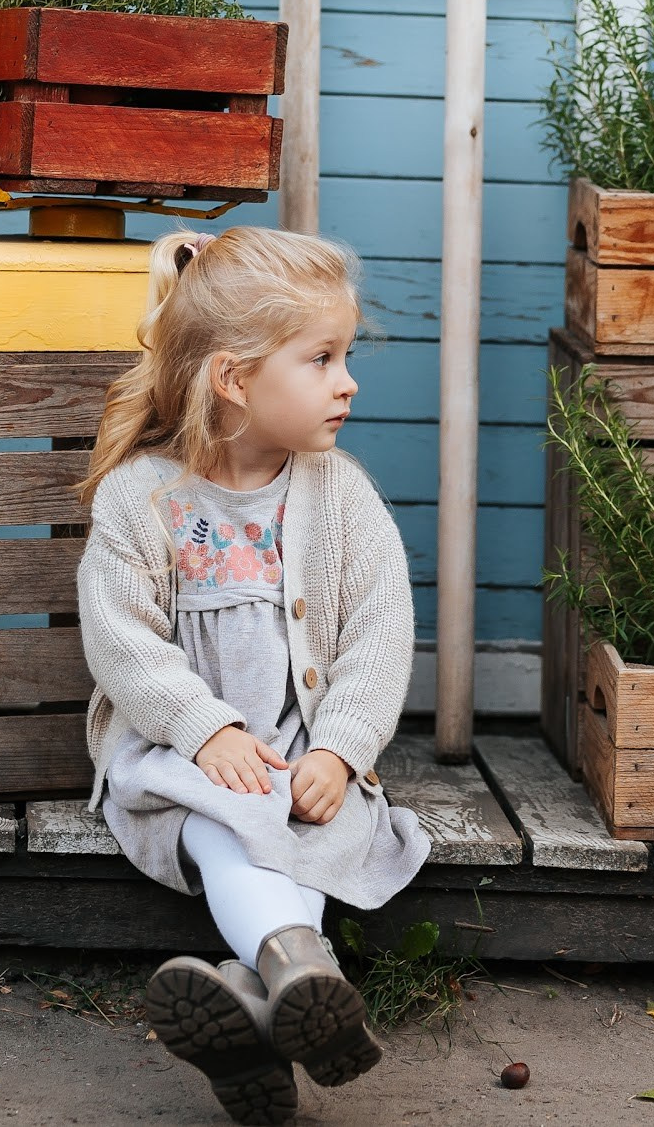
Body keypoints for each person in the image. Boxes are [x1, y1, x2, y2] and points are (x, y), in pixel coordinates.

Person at [77, 226, 427, 1125]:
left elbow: (380, 636)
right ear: (235, 379)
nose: (347, 379)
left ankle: (263, 1008)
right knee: (231, 823)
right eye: (321, 358)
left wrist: (343, 752)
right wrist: (205, 728)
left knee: (301, 817)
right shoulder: (142, 496)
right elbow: (122, 640)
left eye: (344, 355)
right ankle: (301, 964)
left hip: (302, 751)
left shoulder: (340, 494)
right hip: (180, 754)